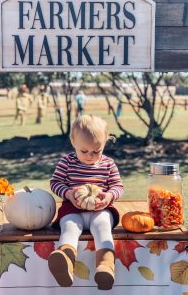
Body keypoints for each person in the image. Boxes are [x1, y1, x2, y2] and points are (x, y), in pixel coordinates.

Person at [48, 115, 123, 290]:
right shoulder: (66, 162)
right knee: (69, 227)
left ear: (104, 143)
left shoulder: (108, 164)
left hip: (100, 210)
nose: (90, 156)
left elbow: (118, 186)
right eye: (84, 151)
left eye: (96, 151)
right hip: (73, 209)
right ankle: (65, 259)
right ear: (73, 142)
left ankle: (105, 266)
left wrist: (110, 196)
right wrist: (68, 192)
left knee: (103, 226)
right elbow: (55, 182)